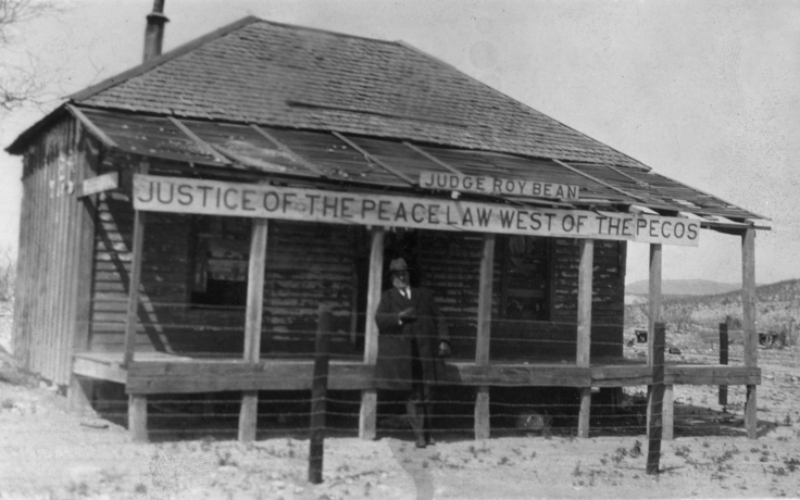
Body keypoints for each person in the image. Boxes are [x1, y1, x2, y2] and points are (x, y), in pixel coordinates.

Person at [375, 257, 450, 448]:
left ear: (409, 274)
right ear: (392, 278)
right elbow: (379, 319)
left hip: (426, 352)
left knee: (428, 393)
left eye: (404, 273)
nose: (402, 277)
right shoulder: (388, 297)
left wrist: (443, 340)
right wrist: (399, 317)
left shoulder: (423, 294)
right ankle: (419, 436)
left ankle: (428, 433)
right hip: (405, 355)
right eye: (397, 274)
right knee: (414, 394)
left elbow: (439, 317)